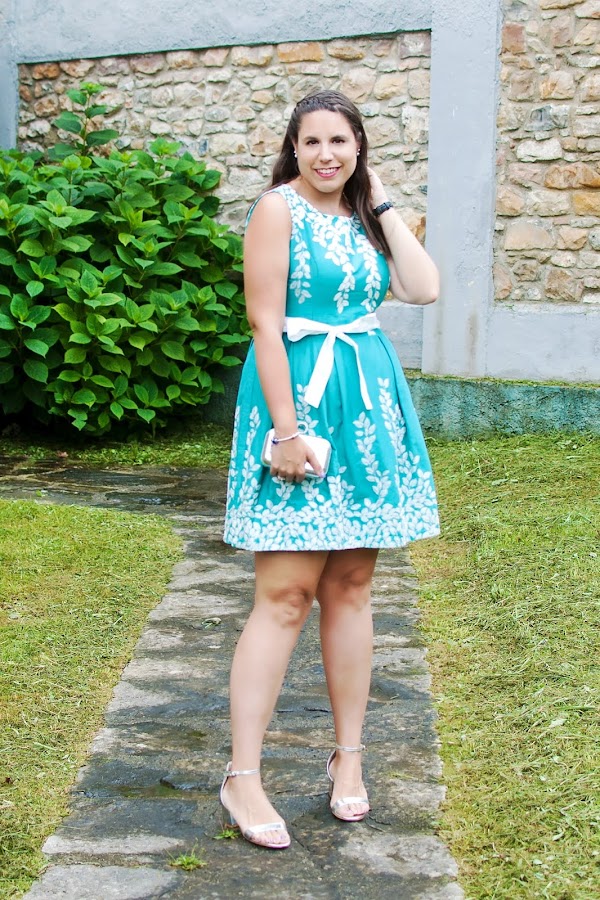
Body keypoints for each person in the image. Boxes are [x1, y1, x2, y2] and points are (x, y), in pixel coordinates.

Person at [221, 89, 440, 849]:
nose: (325, 155)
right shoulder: (276, 209)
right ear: (293, 147)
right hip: (298, 400)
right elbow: (264, 324)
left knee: (350, 587)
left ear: (358, 148)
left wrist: (379, 201)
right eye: (311, 141)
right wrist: (286, 432)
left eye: (340, 141)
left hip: (367, 408)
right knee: (285, 595)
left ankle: (349, 759)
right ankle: (242, 777)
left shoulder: (364, 214)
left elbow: (423, 287)